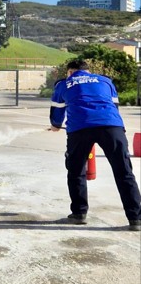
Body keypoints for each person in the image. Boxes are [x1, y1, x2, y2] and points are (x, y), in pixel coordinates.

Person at [50, 59, 141, 231]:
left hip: (80, 128)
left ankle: (79, 214)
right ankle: (136, 218)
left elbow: (57, 112)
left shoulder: (64, 84)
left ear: (70, 72)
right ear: (88, 71)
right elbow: (114, 105)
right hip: (111, 126)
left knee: (76, 171)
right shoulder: (106, 81)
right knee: (124, 172)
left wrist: (55, 125)